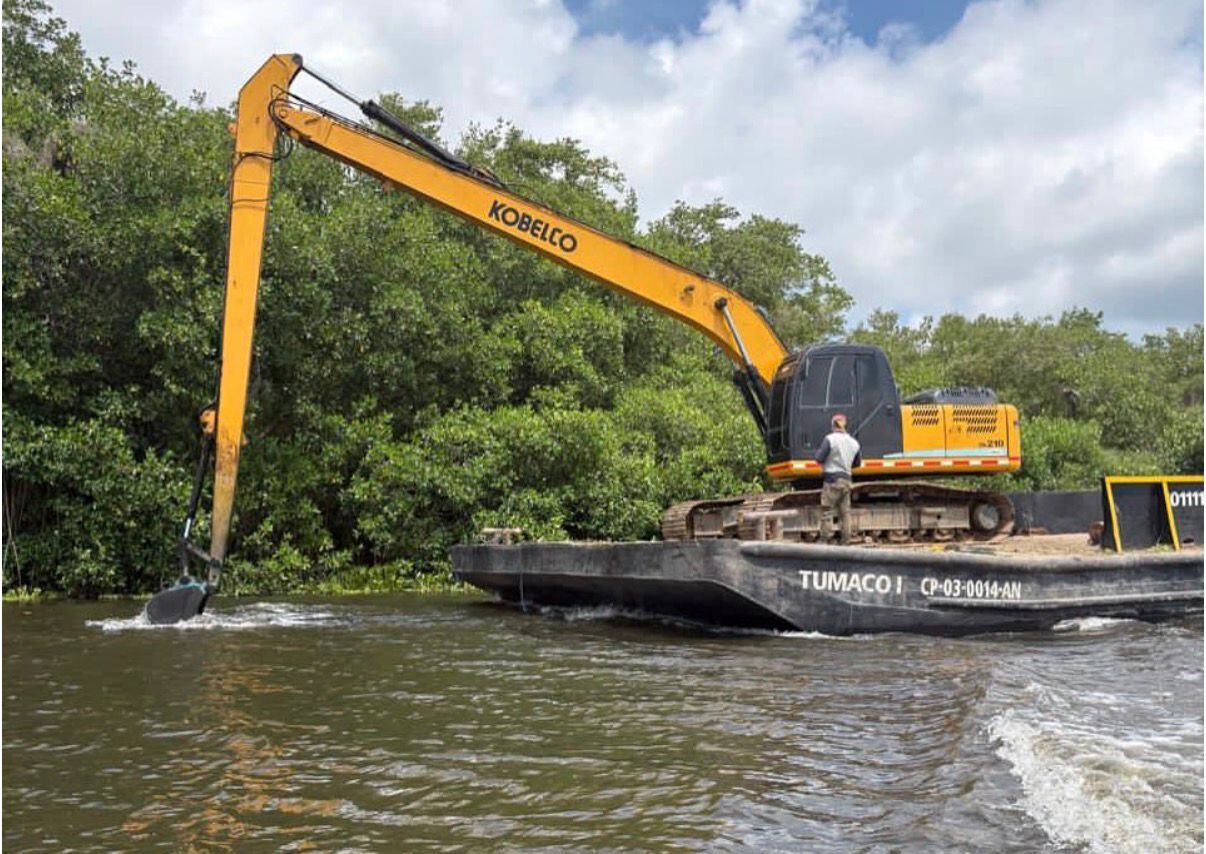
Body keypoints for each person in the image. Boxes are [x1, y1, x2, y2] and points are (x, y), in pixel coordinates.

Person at [814, 413, 861, 544]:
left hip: (832, 481)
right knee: (845, 513)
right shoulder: (854, 443)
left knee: (826, 511)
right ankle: (846, 541)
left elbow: (819, 458)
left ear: (833, 426)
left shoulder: (830, 439)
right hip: (847, 480)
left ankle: (824, 540)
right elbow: (857, 463)